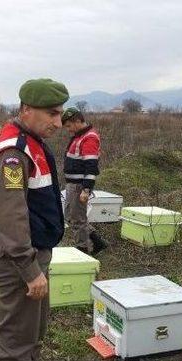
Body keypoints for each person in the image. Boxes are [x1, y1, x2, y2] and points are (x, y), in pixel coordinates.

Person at [0, 78, 68, 360]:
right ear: (27, 109)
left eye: (61, 114)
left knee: (31, 335)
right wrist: (30, 270)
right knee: (16, 344)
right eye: (52, 113)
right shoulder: (14, 153)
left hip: (29, 253)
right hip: (19, 260)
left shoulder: (31, 143)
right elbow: (10, 217)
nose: (59, 122)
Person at [62, 106, 107, 254]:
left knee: (77, 218)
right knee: (70, 215)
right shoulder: (79, 136)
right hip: (73, 184)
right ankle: (97, 242)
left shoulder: (89, 137)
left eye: (69, 126)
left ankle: (83, 249)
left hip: (79, 186)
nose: (68, 129)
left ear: (77, 121)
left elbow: (91, 167)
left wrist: (86, 189)